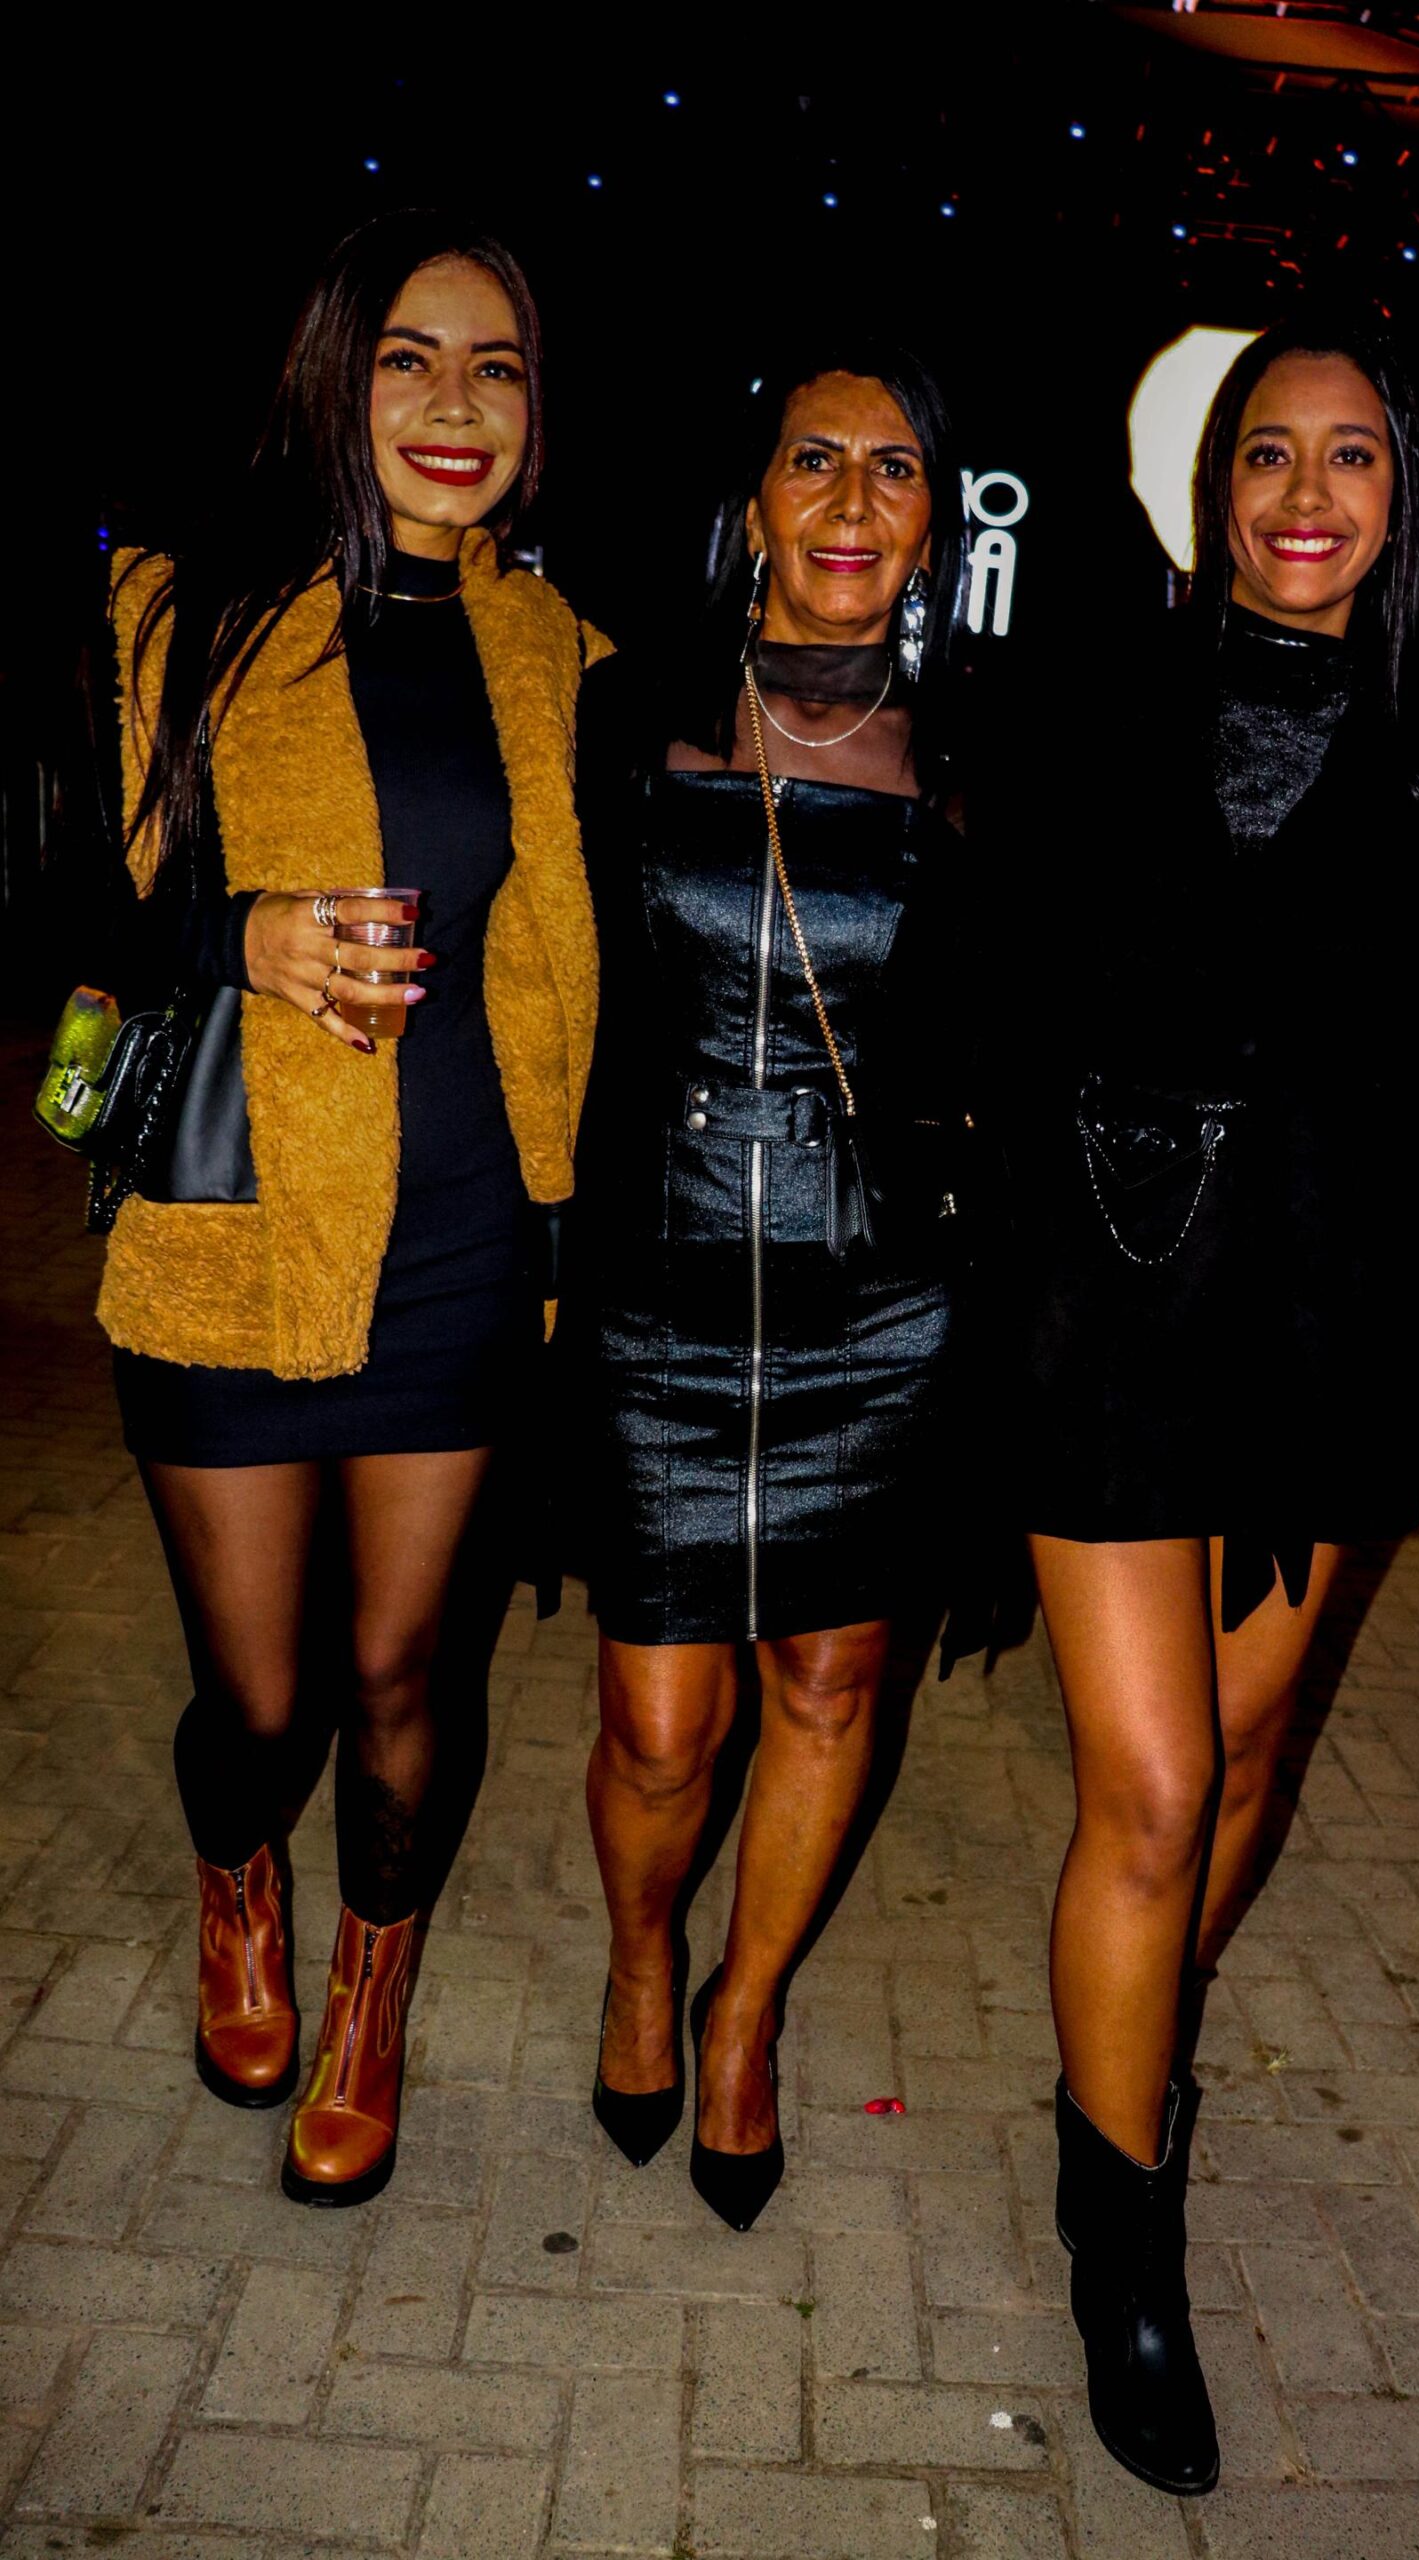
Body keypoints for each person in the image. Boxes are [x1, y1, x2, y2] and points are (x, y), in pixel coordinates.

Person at [1005, 315, 1419, 2492]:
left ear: (1402, 499)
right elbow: (997, 1002)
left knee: (1237, 1776)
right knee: (1152, 1786)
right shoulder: (1090, 707)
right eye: (1269, 454)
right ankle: (1125, 2241)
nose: (1306, 495)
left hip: (1326, 1332)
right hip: (1110, 1309)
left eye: (1352, 457)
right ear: (1213, 483)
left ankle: (1114, 2064)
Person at [97, 211, 602, 2206]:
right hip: (232, 1225)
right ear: (334, 375)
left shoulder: (551, 649)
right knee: (262, 1696)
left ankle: (371, 1987)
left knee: (405, 1679)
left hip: (462, 1231)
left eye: (497, 366)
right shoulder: (188, 612)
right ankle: (240, 1873)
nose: (456, 402)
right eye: (409, 357)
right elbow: (81, 917)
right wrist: (244, 931)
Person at [571, 343, 975, 2230]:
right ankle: (642, 1957)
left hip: (879, 1298)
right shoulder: (630, 710)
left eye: (894, 472)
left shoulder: (978, 761)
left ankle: (742, 2015)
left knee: (829, 1680)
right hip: (657, 1277)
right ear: (754, 502)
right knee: (664, 1724)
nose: (850, 504)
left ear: (935, 526)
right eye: (815, 461)